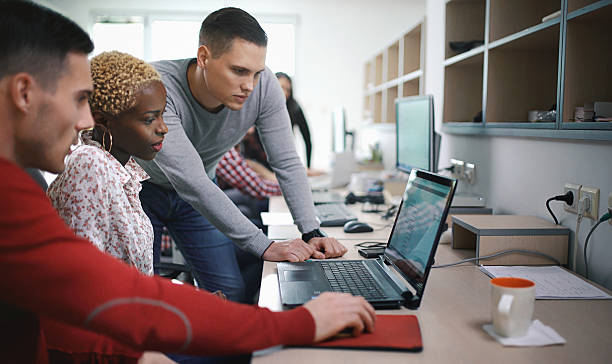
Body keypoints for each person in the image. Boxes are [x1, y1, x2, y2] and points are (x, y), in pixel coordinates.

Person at [0, 2, 376, 363]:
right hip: (157, 199)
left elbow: (121, 289)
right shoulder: (83, 169)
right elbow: (114, 296)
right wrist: (296, 322)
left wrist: (311, 231)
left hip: (158, 215)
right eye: (80, 99)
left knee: (225, 299)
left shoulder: (27, 184)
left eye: (256, 73)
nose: (87, 121)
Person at [137, 7, 347, 303]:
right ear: (204, 57)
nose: (249, 85)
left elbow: (286, 161)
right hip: (143, 192)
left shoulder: (264, 87)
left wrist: (312, 231)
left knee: (230, 292)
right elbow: (192, 181)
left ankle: (213, 348)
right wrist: (264, 246)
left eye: (256, 73)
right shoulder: (158, 89)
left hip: (199, 194)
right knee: (141, 298)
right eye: (238, 71)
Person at [42, 50, 169, 362]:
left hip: (126, 330)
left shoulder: (124, 172)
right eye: (149, 119)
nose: (163, 128)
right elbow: (86, 288)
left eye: (162, 115)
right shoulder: (90, 166)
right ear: (103, 121)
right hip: (95, 346)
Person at [275, 72, 313, 168]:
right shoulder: (260, 106)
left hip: (285, 159)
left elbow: (307, 139)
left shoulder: (294, 107)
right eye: (281, 87)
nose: (284, 93)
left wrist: (308, 167)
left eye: (288, 90)